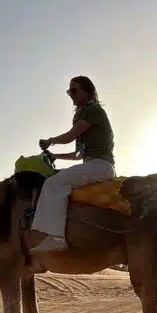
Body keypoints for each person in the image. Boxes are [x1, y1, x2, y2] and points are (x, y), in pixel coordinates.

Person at [29, 76, 116, 252]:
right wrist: (56, 156)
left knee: (53, 183)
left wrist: (50, 141)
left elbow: (70, 136)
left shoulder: (93, 109)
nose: (71, 95)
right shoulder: (85, 113)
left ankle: (56, 237)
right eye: (69, 91)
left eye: (74, 90)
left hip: (100, 165)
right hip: (93, 164)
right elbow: (78, 155)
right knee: (56, 179)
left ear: (87, 91)